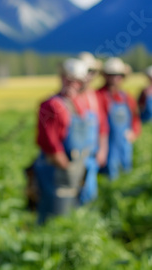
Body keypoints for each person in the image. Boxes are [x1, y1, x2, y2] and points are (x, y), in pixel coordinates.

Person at [33, 58, 92, 224]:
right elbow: (49, 144)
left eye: (77, 80)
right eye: (68, 78)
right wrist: (66, 166)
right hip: (56, 169)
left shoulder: (79, 103)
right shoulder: (51, 105)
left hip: (77, 168)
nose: (72, 84)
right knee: (53, 215)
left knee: (70, 213)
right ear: (62, 77)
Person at [96, 58, 141, 179]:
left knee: (125, 174)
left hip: (124, 145)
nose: (115, 78)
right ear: (105, 76)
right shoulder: (97, 95)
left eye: (118, 75)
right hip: (105, 144)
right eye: (111, 75)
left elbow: (135, 118)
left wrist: (134, 132)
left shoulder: (126, 97)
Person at [77, 52, 108, 204]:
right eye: (85, 72)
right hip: (72, 156)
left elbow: (102, 126)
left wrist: (102, 149)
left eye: (91, 72)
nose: (88, 76)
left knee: (89, 193)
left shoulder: (95, 96)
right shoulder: (67, 98)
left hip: (91, 154)